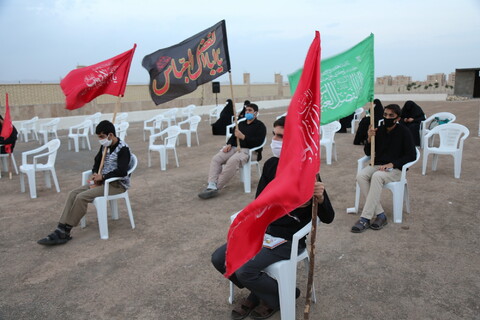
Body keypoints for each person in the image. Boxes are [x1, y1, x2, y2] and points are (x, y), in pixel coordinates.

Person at [211, 116, 335, 319]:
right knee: (218, 258)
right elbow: (260, 202)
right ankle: (259, 291)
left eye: (282, 137)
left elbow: (328, 217)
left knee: (245, 272)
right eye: (275, 135)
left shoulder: (309, 171)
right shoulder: (271, 165)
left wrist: (319, 198)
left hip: (288, 240)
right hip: (265, 231)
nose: (275, 140)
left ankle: (279, 296)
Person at [37, 120, 132, 245]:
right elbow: (97, 161)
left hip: (116, 185)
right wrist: (94, 175)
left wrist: (102, 177)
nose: (100, 140)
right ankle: (60, 226)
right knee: (73, 194)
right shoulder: (105, 147)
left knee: (82, 197)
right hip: (102, 182)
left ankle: (66, 231)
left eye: (102, 137)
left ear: (110, 135)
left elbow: (122, 172)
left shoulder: (123, 149)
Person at [351, 104, 416, 233]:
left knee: (377, 176)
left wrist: (393, 164)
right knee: (361, 176)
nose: (387, 117)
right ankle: (380, 214)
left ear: (398, 118)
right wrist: (369, 138)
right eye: (385, 115)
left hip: (395, 170)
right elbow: (369, 153)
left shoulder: (404, 132)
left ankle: (365, 218)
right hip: (377, 165)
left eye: (391, 116)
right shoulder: (379, 130)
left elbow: (411, 155)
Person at [199, 103, 266, 199]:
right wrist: (229, 144)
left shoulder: (260, 126)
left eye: (250, 110)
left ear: (255, 113)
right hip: (235, 148)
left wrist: (243, 137)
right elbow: (232, 138)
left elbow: (258, 142)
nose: (247, 112)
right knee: (216, 158)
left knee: (232, 161)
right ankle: (211, 183)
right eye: (246, 110)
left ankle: (216, 187)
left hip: (249, 151)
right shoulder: (241, 124)